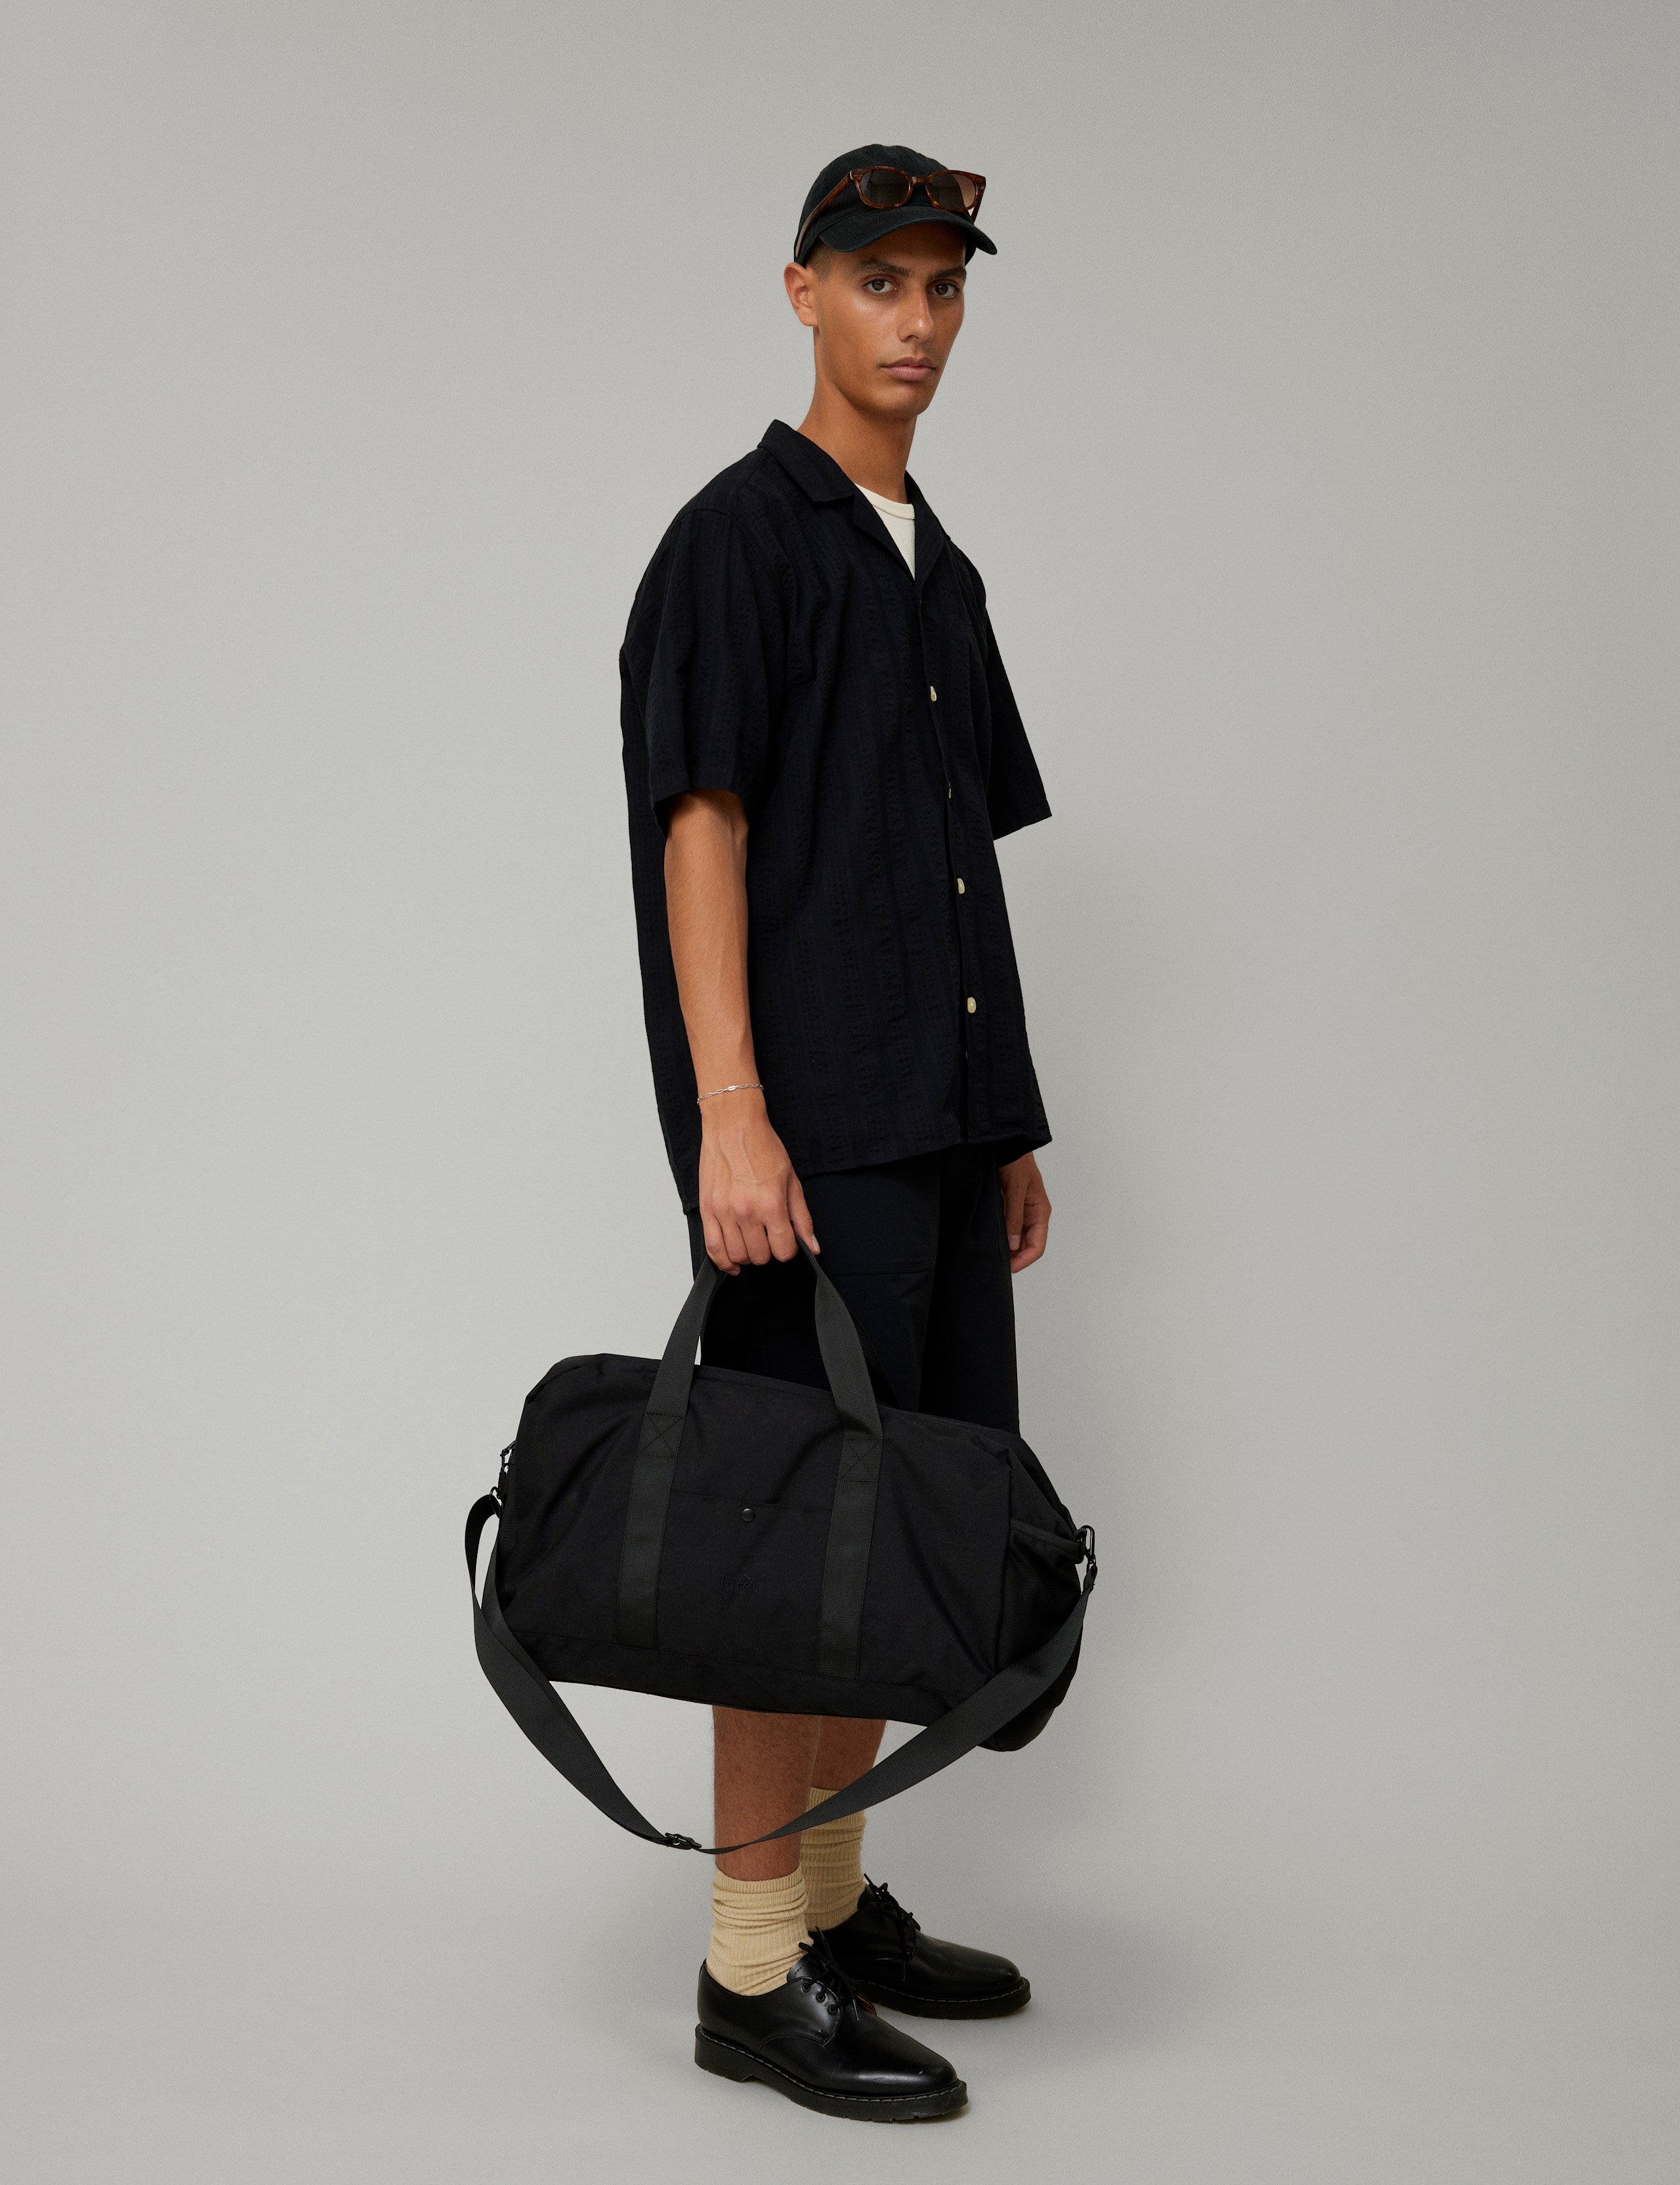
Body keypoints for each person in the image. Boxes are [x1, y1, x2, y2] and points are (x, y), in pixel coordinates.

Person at [618, 144, 1055, 2121]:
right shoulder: (741, 540)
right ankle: (747, 1966)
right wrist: (731, 1115)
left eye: (945, 285)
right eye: (883, 281)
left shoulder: (935, 564)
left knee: (898, 1527)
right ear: (802, 292)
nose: (920, 321)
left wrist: (1004, 1123)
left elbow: (959, 865)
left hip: (936, 1123)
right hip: (808, 1132)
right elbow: (700, 828)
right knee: (794, 1533)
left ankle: (833, 1901)